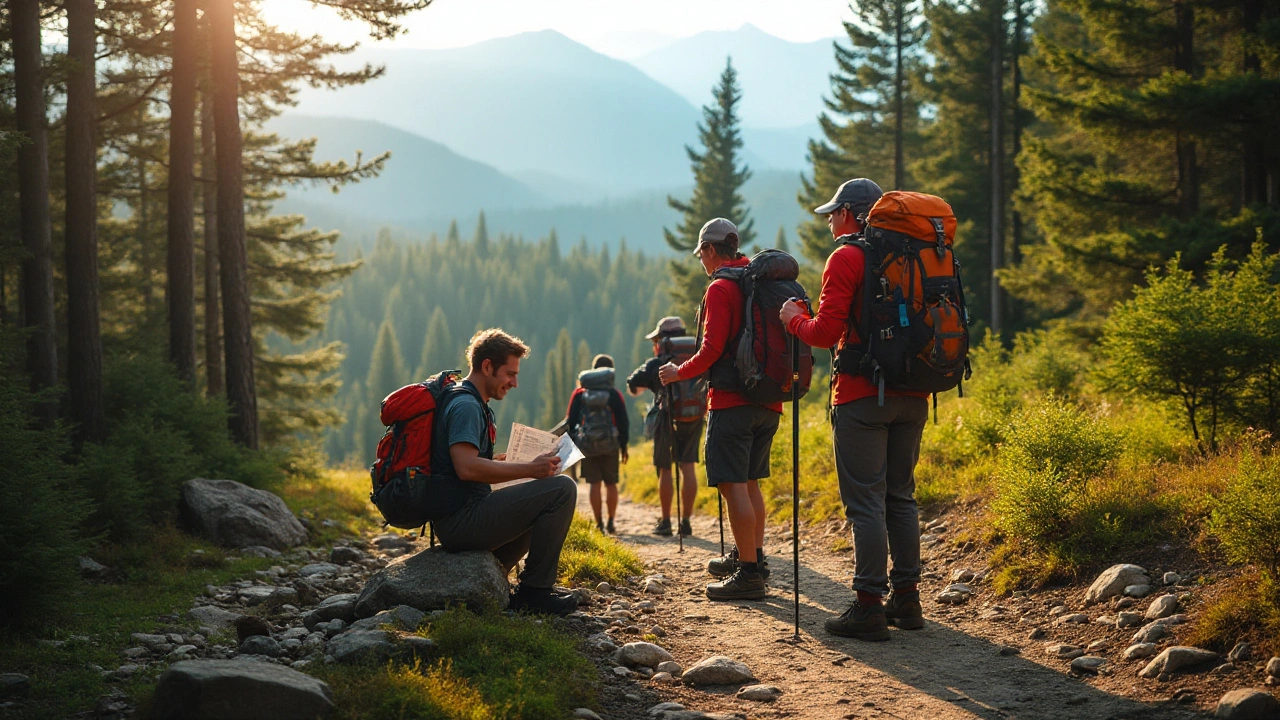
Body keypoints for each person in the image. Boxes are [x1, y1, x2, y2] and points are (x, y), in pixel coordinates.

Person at [780, 178, 929, 641]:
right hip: (914, 391)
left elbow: (825, 333)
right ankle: (906, 598)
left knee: (865, 500)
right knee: (900, 496)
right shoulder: (915, 254)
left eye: (832, 213)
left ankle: (868, 606)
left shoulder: (846, 257)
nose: (828, 221)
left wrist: (793, 321)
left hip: (863, 395)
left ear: (850, 213)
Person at [659, 218, 781, 601]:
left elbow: (711, 350)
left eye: (701, 254)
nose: (701, 261)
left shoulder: (722, 287)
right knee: (750, 482)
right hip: (769, 399)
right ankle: (754, 558)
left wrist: (678, 371)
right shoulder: (759, 279)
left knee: (732, 486)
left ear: (711, 250)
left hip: (732, 400)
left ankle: (748, 575)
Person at [431, 328, 580, 616]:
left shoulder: (471, 401)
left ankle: (503, 579)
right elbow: (466, 467)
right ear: (487, 367)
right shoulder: (466, 406)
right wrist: (530, 469)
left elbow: (467, 461)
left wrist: (502, 461)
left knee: (541, 496)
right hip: (461, 521)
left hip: (463, 515)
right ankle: (535, 592)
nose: (514, 383)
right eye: (510, 374)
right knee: (562, 489)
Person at [626, 317, 702, 537]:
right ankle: (686, 522)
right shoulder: (697, 356)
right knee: (688, 467)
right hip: (693, 415)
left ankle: (666, 522)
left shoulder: (656, 363)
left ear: (662, 339)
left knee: (665, 468)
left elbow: (633, 386)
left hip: (666, 417)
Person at [566, 354, 630, 533]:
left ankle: (599, 523)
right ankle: (611, 521)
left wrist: (573, 448)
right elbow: (623, 422)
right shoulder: (613, 394)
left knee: (594, 483)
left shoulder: (580, 394)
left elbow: (571, 421)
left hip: (587, 444)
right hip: (610, 444)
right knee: (611, 483)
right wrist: (624, 447)